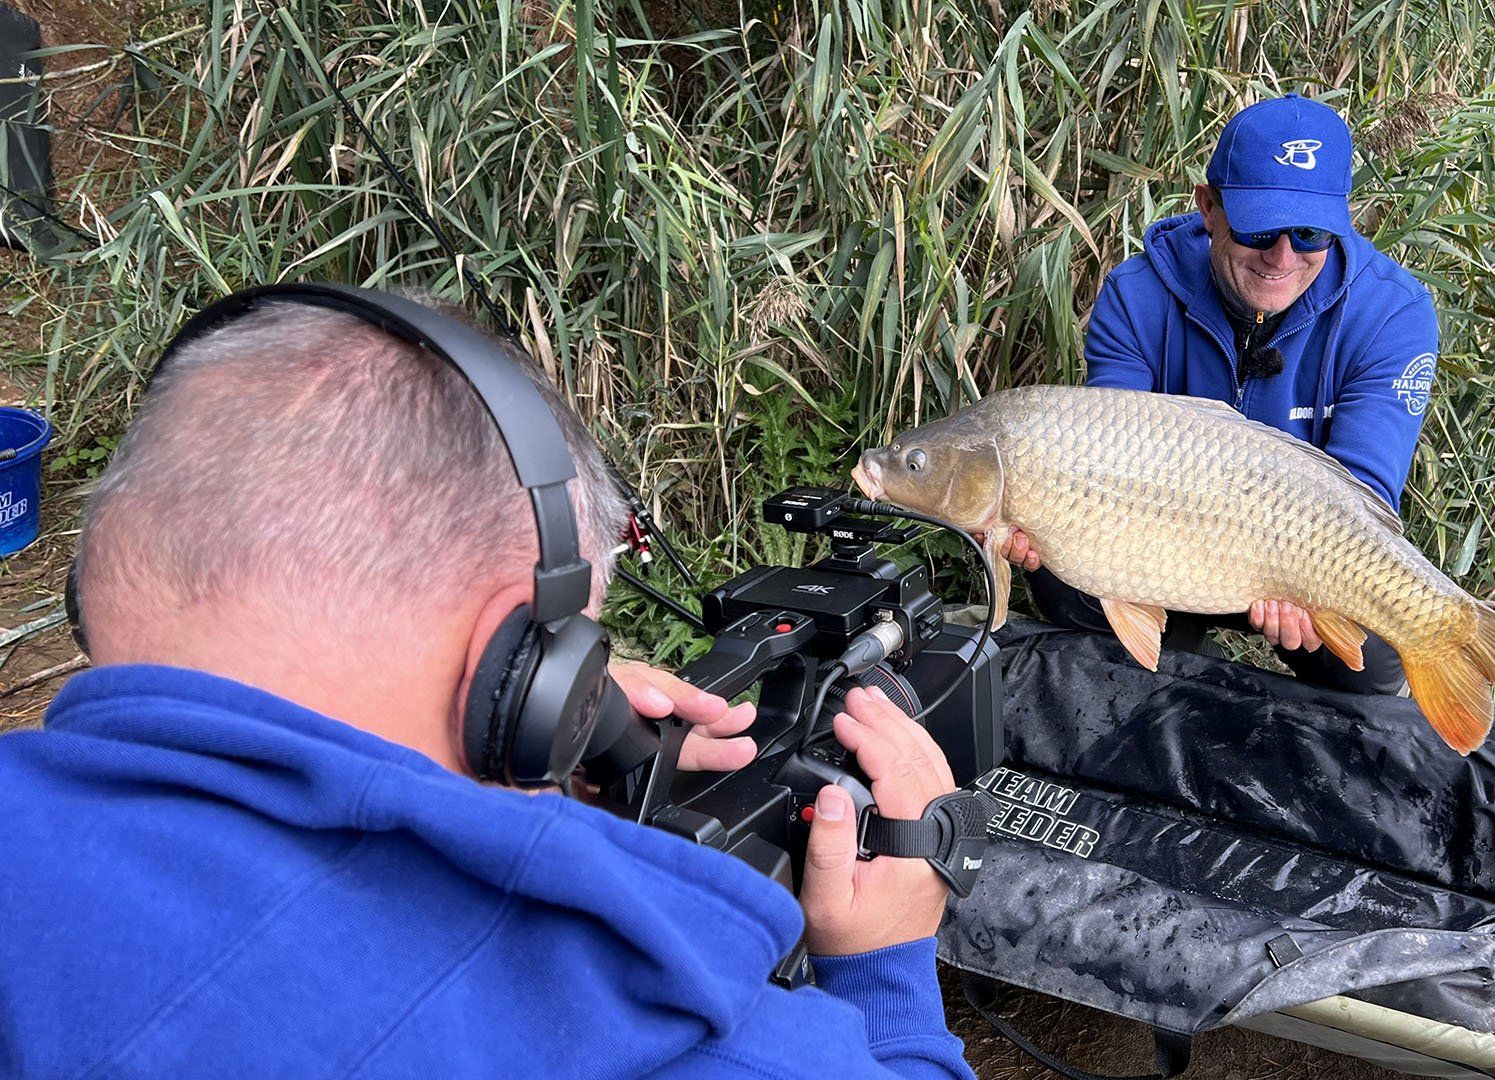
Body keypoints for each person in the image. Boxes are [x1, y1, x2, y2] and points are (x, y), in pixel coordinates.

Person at [0, 292, 973, 1078]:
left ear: (98, 579)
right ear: (519, 673)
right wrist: (887, 977)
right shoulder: (662, 1040)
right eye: (573, 646)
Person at [1012, 94, 1440, 696]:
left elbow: (1363, 493)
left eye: (1310, 232)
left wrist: (1306, 587)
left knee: (1378, 660)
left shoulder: (1393, 314)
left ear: (1344, 223)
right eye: (1259, 227)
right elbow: (1102, 472)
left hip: (1302, 554)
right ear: (1208, 207)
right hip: (1161, 547)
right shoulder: (1136, 297)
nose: (1282, 257)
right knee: (1067, 579)